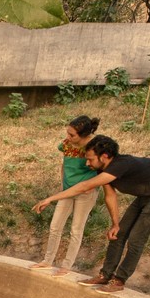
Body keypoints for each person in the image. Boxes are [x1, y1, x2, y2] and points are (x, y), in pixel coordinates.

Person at [30, 135, 150, 293]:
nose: (87, 163)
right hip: (149, 191)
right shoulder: (103, 169)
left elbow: (84, 186)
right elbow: (110, 196)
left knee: (137, 237)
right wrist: (115, 223)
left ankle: (119, 280)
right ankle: (105, 275)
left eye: (90, 159)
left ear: (104, 156)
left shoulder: (120, 165)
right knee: (118, 233)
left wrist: (51, 199)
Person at [29, 115, 101, 275]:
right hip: (67, 190)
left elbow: (104, 169)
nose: (67, 137)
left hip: (85, 192)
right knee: (55, 226)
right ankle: (47, 261)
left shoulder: (94, 146)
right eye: (67, 133)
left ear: (84, 135)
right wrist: (63, 183)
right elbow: (65, 163)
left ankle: (66, 266)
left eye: (72, 135)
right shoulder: (67, 144)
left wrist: (93, 184)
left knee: (76, 229)